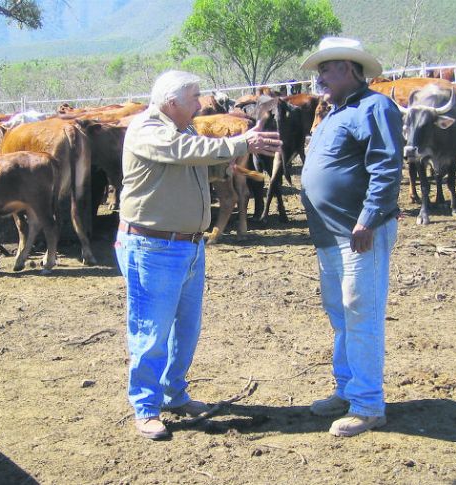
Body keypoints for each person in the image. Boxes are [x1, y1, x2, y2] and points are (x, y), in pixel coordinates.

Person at [115, 70, 282, 440]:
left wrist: (237, 152)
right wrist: (240, 142)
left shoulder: (184, 129)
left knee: (185, 329)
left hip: (187, 245)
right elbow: (184, 153)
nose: (201, 104)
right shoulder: (148, 129)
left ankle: (174, 393)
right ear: (172, 103)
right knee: (151, 330)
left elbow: (195, 159)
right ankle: (145, 406)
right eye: (195, 97)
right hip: (152, 246)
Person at [299, 38, 405, 437]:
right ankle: (347, 389)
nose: (320, 76)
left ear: (349, 69)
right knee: (342, 315)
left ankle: (367, 404)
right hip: (331, 235)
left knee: (361, 315)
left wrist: (370, 218)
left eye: (326, 68)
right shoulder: (334, 113)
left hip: (358, 232)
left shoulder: (375, 107)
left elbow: (386, 167)